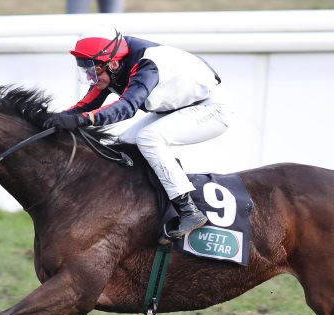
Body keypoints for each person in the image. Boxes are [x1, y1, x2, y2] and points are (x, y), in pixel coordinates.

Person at [43, 26, 232, 239]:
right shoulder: (112, 61)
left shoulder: (146, 67)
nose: (91, 77)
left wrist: (81, 120)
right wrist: (54, 119)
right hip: (180, 108)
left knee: (149, 138)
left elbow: (126, 108)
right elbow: (88, 103)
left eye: (93, 70)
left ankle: (189, 210)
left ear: (112, 64)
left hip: (212, 109)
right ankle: (143, 204)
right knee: (123, 143)